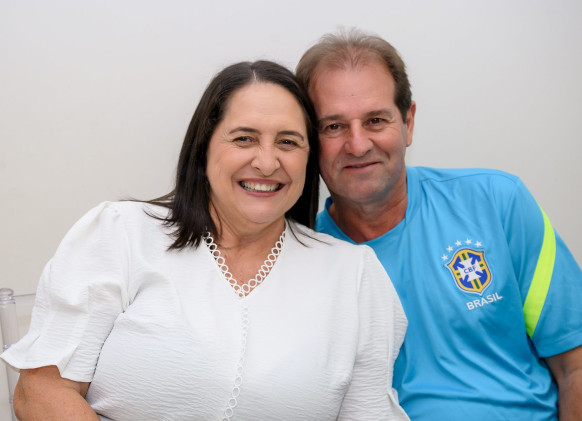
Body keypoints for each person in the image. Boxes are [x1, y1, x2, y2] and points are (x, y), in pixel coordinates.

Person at [1, 60, 409, 420]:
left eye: (288, 142)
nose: (267, 162)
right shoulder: (120, 233)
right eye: (244, 138)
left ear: (309, 157)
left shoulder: (354, 276)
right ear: (205, 147)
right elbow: (41, 393)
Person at [296, 29, 582, 420]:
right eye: (333, 126)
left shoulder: (498, 203)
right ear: (308, 140)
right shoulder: (300, 261)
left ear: (408, 122)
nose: (358, 144)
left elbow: (575, 364)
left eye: (376, 120)